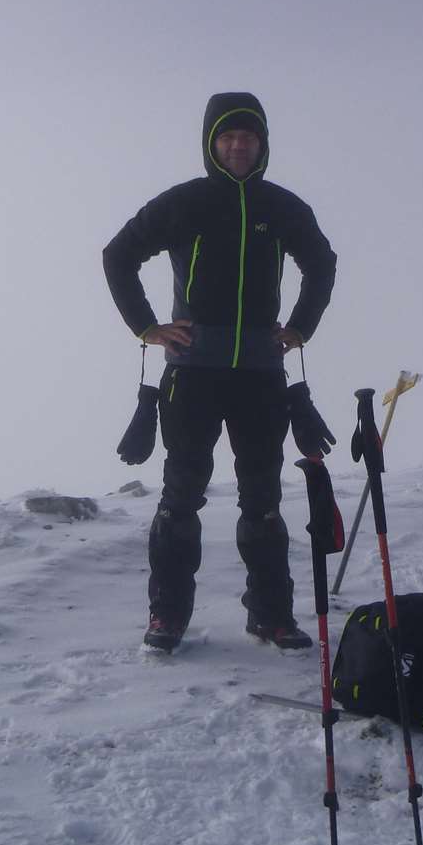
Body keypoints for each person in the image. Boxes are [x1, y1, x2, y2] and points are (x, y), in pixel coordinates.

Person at [102, 92, 338, 652]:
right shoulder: (185, 203)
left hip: (260, 372)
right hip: (193, 373)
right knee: (181, 496)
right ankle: (168, 617)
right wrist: (147, 326)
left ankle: (271, 615)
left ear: (262, 145)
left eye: (249, 137)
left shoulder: (282, 207)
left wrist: (301, 326)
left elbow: (322, 264)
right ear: (212, 143)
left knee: (263, 499)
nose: (239, 146)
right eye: (229, 137)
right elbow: (118, 255)